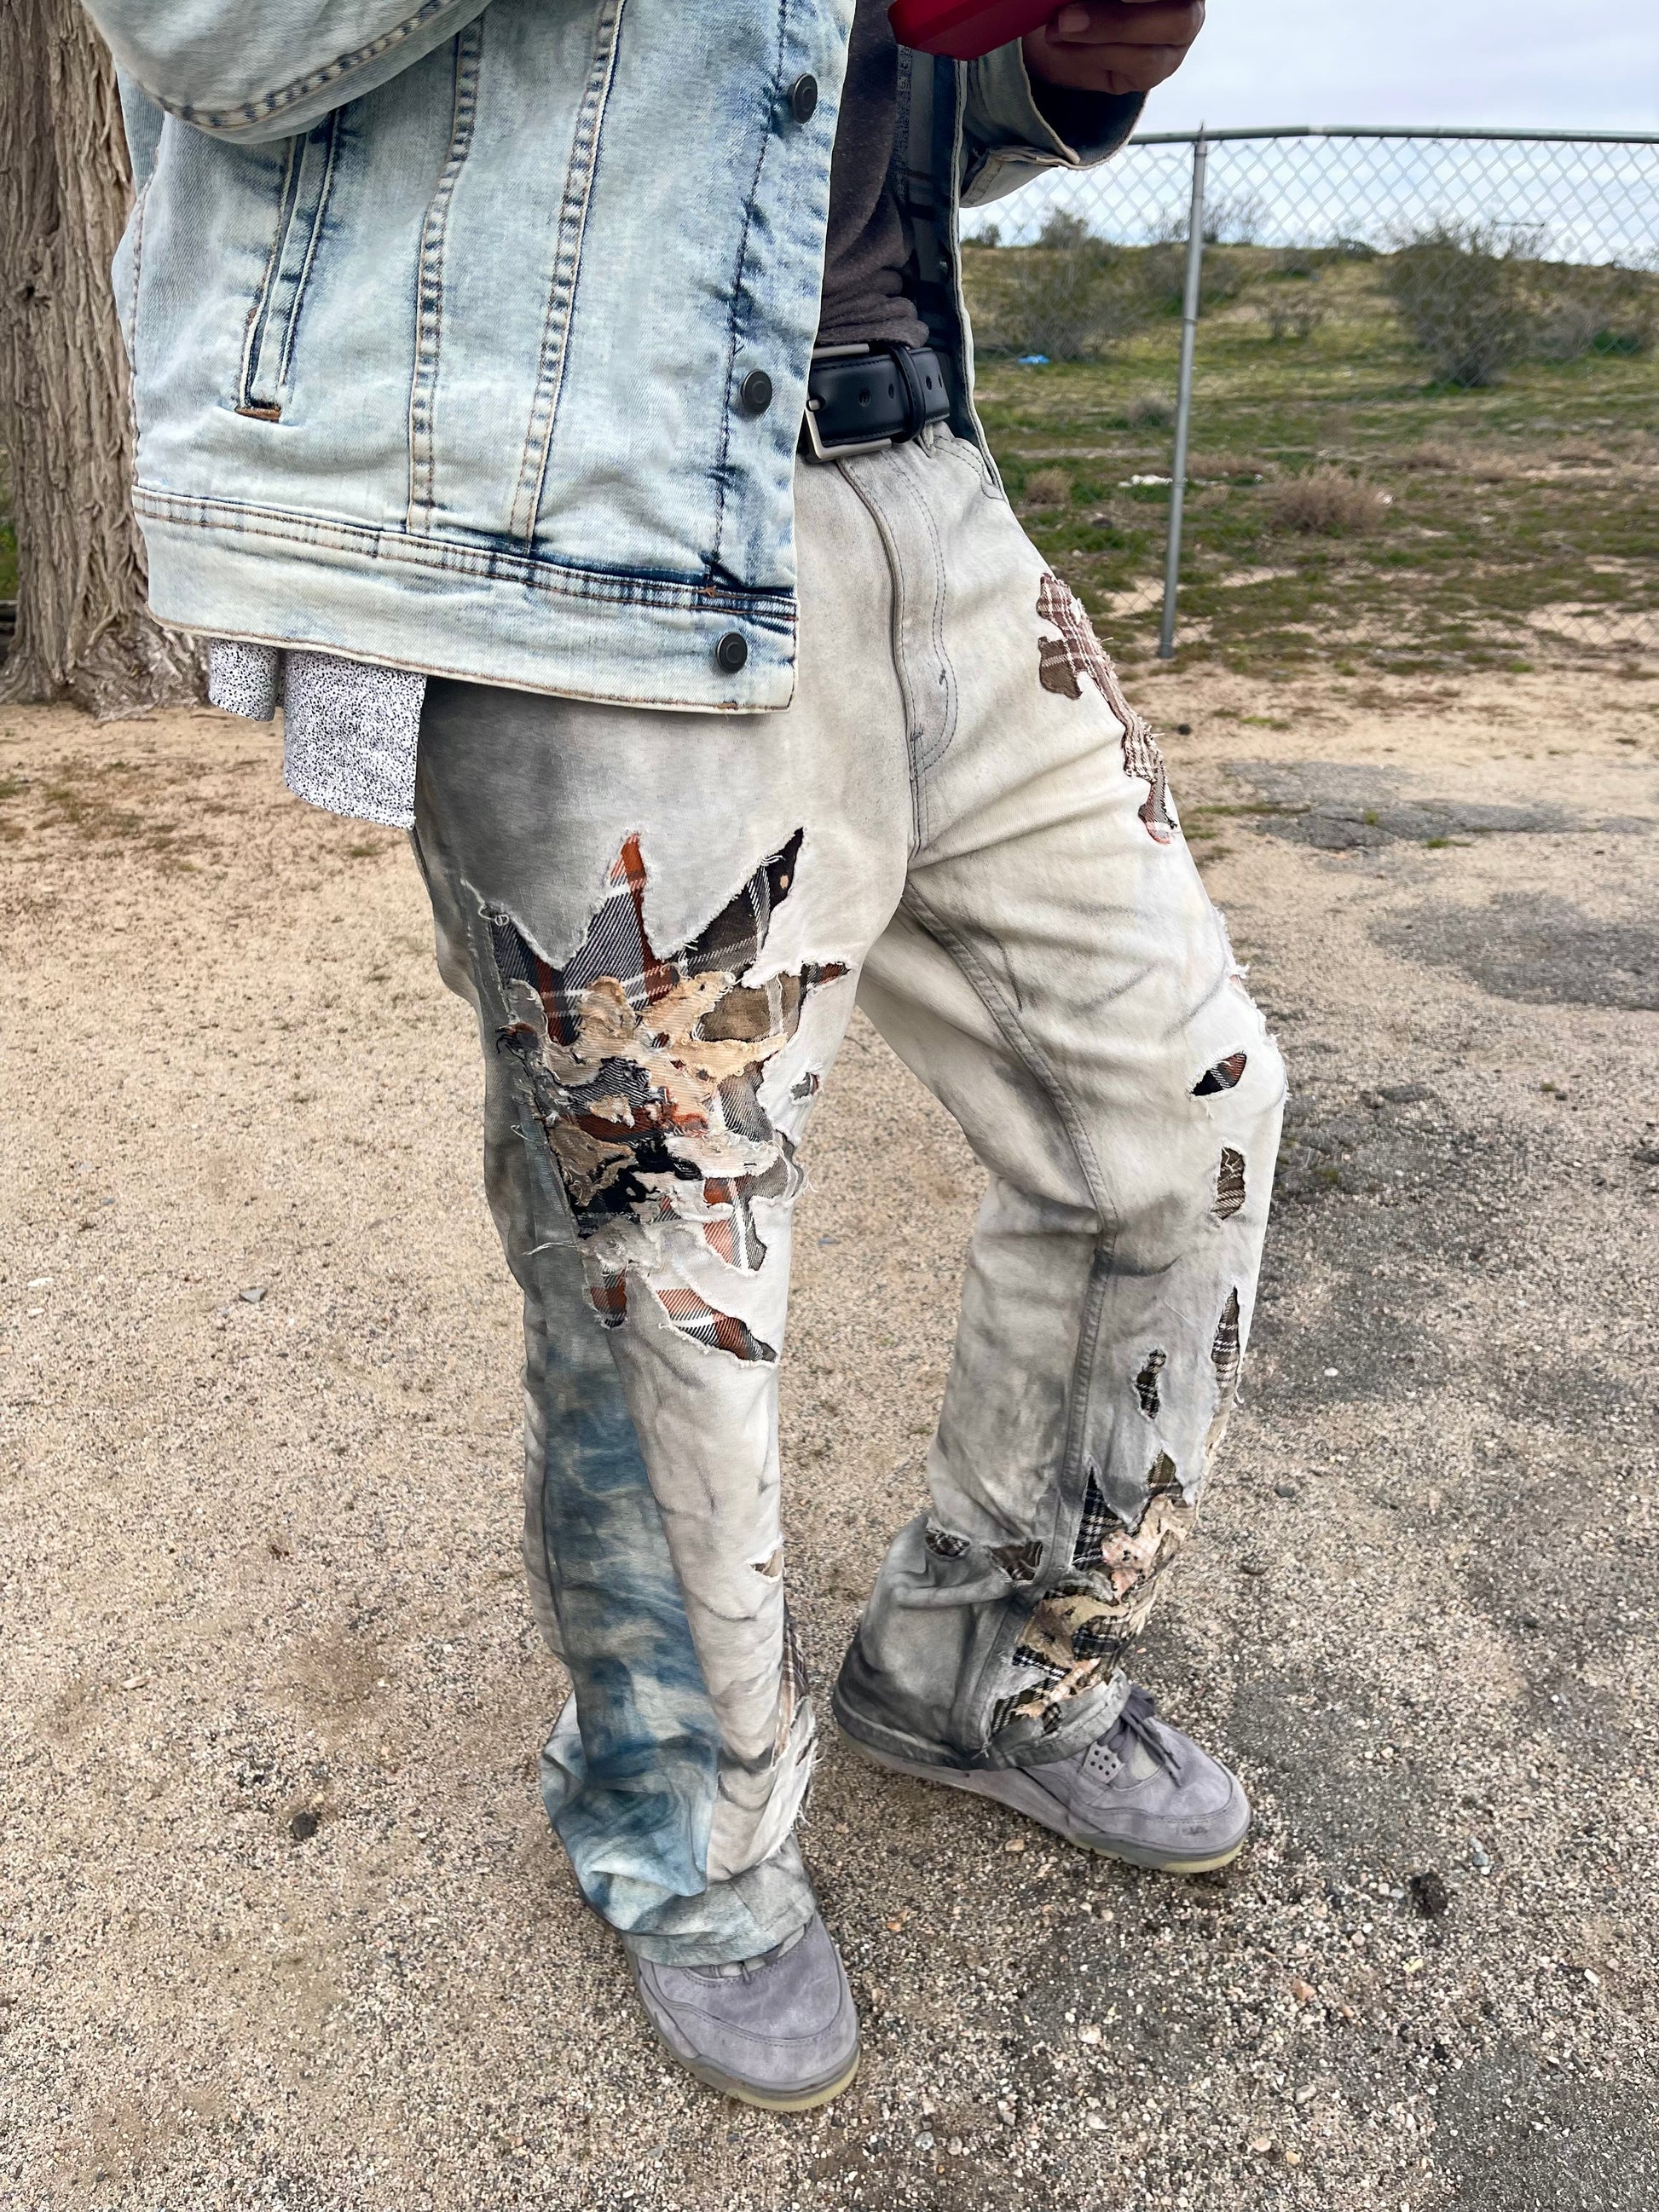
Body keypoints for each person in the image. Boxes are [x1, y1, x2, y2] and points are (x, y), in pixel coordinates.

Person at [89, 0, 1282, 2111]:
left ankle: (985, 1668)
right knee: (660, 1259)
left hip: (923, 485)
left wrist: (1061, 73)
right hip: (585, 544)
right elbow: (206, 36)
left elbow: (788, 107)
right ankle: (685, 1835)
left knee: (1180, 1119)